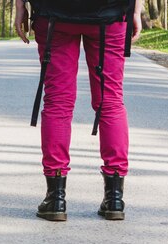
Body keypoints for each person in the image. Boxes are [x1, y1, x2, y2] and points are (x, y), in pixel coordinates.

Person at [15, 0, 143, 221]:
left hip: (53, 14)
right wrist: (137, 9)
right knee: (110, 101)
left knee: (57, 102)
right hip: (111, 13)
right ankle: (114, 197)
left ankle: (55, 198)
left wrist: (20, 7)